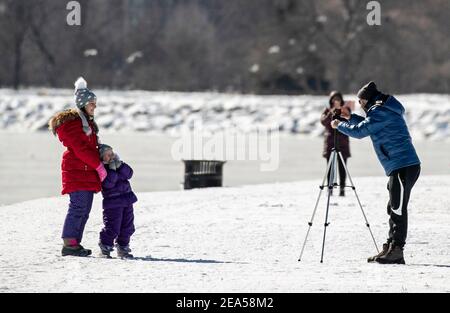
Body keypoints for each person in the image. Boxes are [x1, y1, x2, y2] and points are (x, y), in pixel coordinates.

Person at [331, 81, 421, 264]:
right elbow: (367, 123)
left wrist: (338, 125)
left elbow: (360, 131)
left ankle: (397, 250)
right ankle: (390, 246)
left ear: (367, 99)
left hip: (403, 165)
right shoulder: (381, 110)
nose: (360, 105)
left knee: (398, 209)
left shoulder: (380, 112)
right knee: (393, 206)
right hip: (399, 166)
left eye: (361, 101)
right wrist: (349, 117)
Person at [48, 77, 107, 257]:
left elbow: (89, 147)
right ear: (82, 104)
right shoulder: (74, 125)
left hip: (85, 172)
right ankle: (69, 243)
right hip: (78, 172)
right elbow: (80, 150)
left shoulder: (87, 124)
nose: (94, 107)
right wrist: (98, 166)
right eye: (91, 103)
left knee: (85, 209)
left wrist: (103, 154)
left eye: (95, 103)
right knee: (78, 207)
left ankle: (75, 243)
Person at [97, 144, 137, 259]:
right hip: (113, 203)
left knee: (128, 226)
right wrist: (112, 170)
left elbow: (129, 174)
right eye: (108, 154)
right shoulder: (102, 169)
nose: (111, 156)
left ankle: (123, 247)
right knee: (112, 226)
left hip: (127, 200)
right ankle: (105, 247)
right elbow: (108, 184)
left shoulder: (119, 164)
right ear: (102, 157)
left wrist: (120, 166)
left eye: (112, 153)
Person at [320, 91, 351, 196]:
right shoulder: (327, 110)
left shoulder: (345, 110)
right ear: (331, 100)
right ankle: (330, 189)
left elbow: (349, 121)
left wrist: (341, 112)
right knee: (330, 168)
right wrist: (331, 112)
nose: (336, 101)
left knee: (342, 167)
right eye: (334, 99)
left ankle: (342, 189)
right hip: (330, 143)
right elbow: (324, 122)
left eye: (338, 99)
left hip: (342, 143)